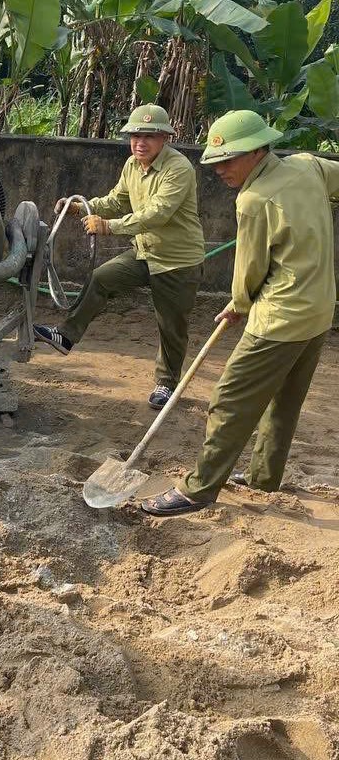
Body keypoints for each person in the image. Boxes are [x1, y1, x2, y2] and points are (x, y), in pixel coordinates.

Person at [141, 110, 338, 517]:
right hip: (319, 311)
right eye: (215, 162)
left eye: (228, 160)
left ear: (257, 150)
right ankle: (265, 478)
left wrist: (239, 304)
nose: (219, 170)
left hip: (280, 318)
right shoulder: (309, 166)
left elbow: (249, 270)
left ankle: (198, 488)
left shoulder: (253, 200)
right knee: (284, 402)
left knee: (229, 399)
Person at [34, 104, 205, 410]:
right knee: (101, 278)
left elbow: (158, 213)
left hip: (177, 261)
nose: (141, 142)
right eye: (136, 135)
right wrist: (81, 209)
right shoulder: (132, 166)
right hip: (143, 252)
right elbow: (115, 201)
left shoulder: (178, 169)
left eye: (149, 136)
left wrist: (108, 227)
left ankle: (166, 385)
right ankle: (67, 336)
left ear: (165, 138)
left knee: (171, 326)